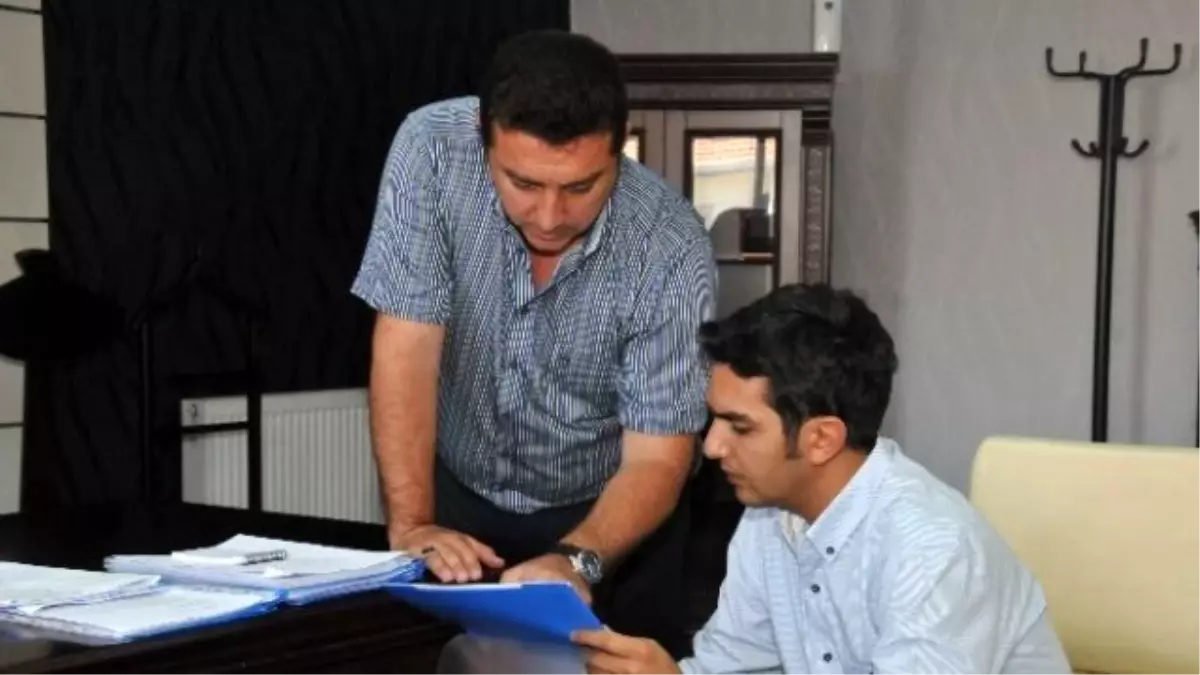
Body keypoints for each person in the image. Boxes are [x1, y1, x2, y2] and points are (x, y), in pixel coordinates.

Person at [351, 28, 715, 656]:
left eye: (580, 187)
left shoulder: (672, 247)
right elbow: (407, 347)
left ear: (619, 149)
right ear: (484, 138)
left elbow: (657, 458)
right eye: (522, 183)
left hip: (612, 515)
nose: (549, 217)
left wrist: (579, 559)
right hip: (460, 494)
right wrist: (412, 525)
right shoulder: (431, 150)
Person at [572, 283, 1073, 674]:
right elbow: (732, 667)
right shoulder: (768, 519)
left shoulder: (933, 551)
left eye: (740, 427)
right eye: (714, 419)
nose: (712, 446)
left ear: (822, 439)